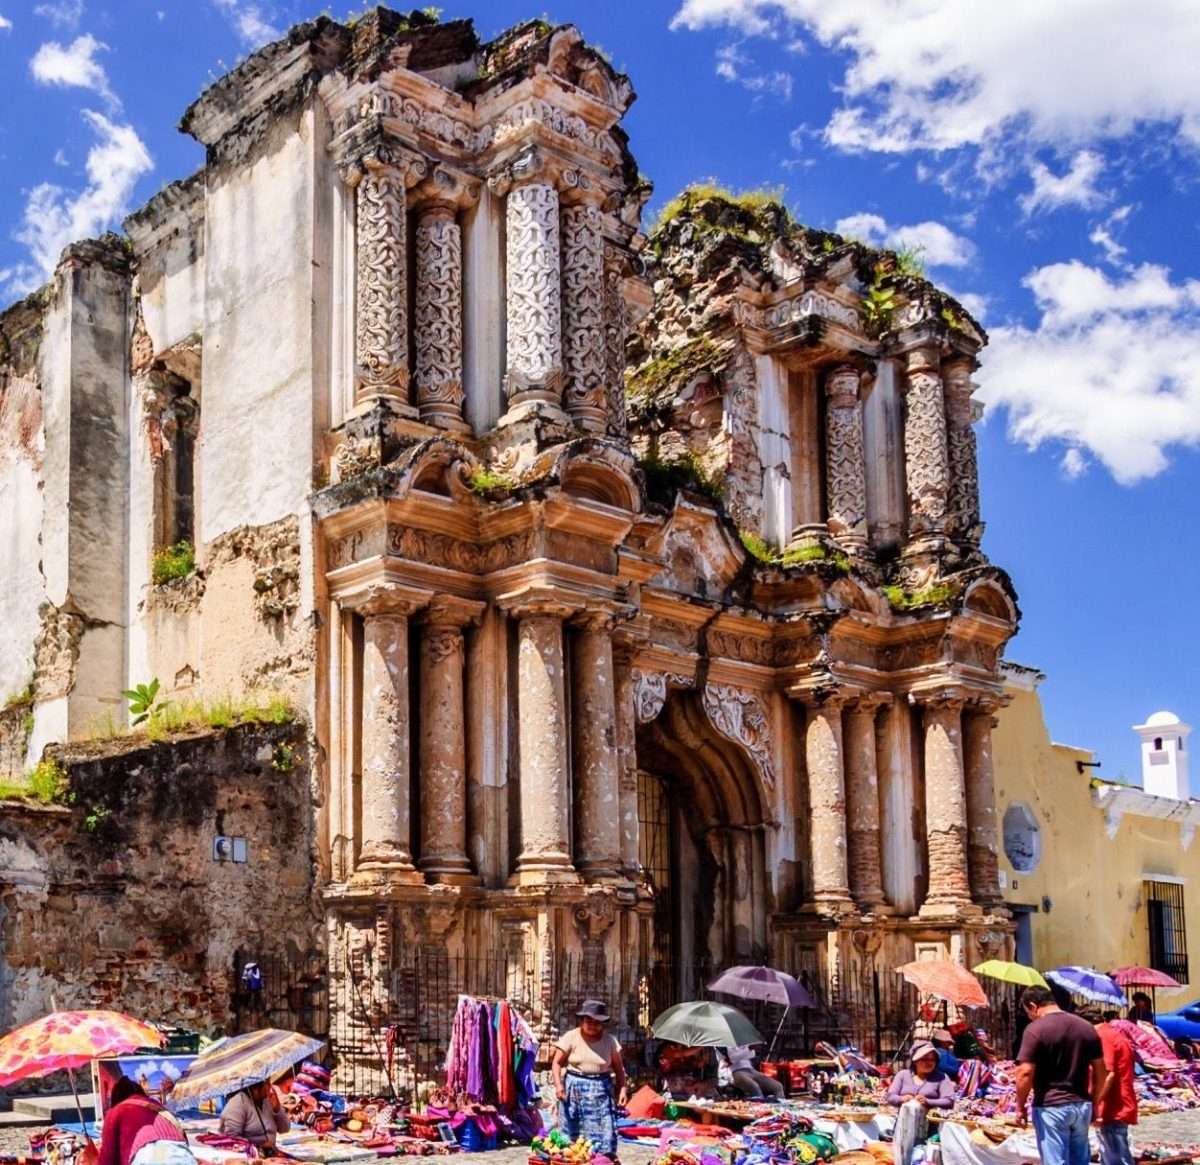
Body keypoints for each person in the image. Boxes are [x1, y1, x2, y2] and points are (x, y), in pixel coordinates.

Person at [1014, 986, 1108, 1165]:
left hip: (1051, 1106)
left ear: (1033, 1006)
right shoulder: (1086, 1027)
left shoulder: (1035, 1029)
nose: (1029, 1016)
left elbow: (1025, 1072)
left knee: (1055, 1161)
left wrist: (1020, 1106)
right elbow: (1101, 1071)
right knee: (1080, 1160)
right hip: (1081, 1105)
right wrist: (1094, 1102)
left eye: (1028, 1012)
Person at [552, 1000, 628, 1159]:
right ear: (582, 1020)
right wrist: (559, 1086)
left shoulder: (610, 1041)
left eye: (597, 1022)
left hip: (601, 1092)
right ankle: (572, 1160)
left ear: (603, 1024)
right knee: (572, 1133)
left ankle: (602, 1159)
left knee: (605, 1131)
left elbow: (619, 1069)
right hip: (574, 1092)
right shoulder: (570, 1037)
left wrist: (623, 1089)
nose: (593, 1025)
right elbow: (556, 1063)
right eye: (589, 1021)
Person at [1087, 1008, 1138, 1165]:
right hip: (1117, 1103)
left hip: (1113, 1106)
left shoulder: (1103, 1037)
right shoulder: (1112, 1033)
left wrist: (1094, 1103)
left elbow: (1108, 1073)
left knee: (1116, 1157)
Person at [98, 1079, 187, 1165]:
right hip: (183, 1155)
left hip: (150, 1157)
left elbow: (107, 1159)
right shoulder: (158, 1107)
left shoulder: (116, 1111)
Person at [219, 1081, 290, 1150]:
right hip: (247, 1156)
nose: (270, 1086)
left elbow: (285, 1129)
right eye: (267, 1083)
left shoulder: (268, 1100)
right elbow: (232, 1139)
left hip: (270, 1153)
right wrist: (258, 1147)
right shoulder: (237, 1104)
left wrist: (277, 1109)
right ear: (255, 1088)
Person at [886, 1042, 957, 1110]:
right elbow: (890, 1096)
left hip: (929, 1120)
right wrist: (901, 1099)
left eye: (932, 1059)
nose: (929, 1063)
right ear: (915, 1061)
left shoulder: (942, 1078)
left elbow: (949, 1101)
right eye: (924, 1059)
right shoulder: (902, 1075)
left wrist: (928, 1101)